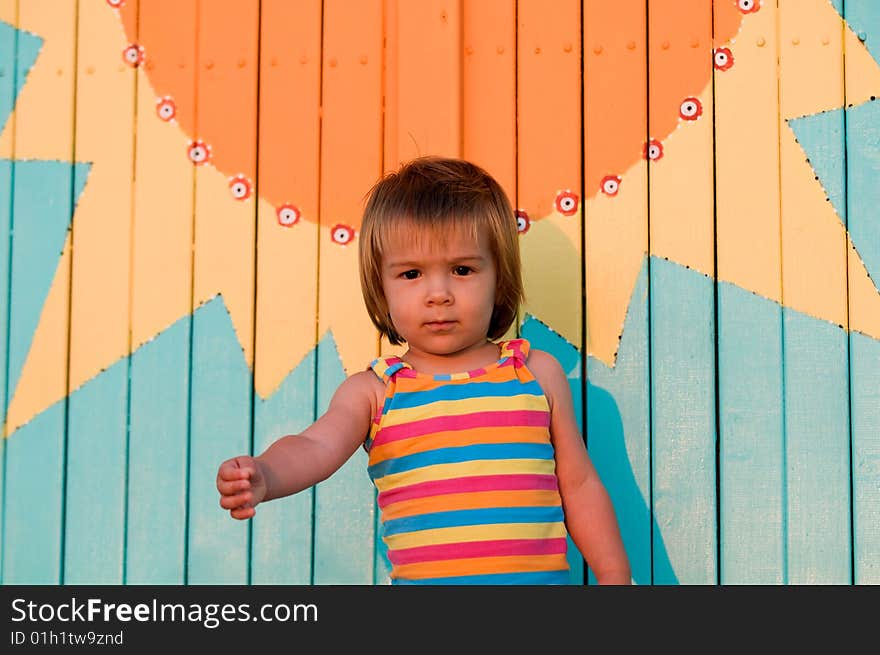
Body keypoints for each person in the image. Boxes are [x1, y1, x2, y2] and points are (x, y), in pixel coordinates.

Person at [216, 156, 631, 585]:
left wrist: (614, 574)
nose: (439, 294)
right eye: (411, 273)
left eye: (462, 270)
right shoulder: (376, 392)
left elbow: (579, 486)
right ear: (382, 287)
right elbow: (313, 447)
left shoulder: (535, 375)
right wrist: (265, 473)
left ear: (499, 277)